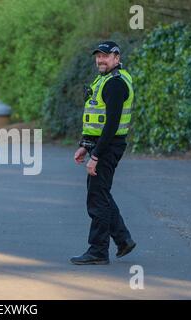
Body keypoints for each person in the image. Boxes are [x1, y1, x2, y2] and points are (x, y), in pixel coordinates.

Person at [71, 41, 136, 265]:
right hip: (102, 145)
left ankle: (98, 251)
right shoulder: (104, 80)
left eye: (106, 56)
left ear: (117, 58)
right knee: (101, 193)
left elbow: (111, 125)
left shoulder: (115, 84)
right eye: (98, 56)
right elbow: (96, 121)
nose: (101, 60)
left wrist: (96, 156)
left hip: (108, 147)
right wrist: (85, 145)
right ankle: (123, 239)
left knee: (97, 197)